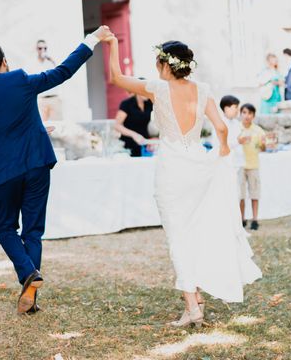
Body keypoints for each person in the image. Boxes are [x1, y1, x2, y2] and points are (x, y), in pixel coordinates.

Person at [104, 36, 261, 327]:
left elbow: (115, 77)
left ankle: (192, 307)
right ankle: (196, 294)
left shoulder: (157, 88)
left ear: (165, 65)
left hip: (172, 167)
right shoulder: (203, 89)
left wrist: (112, 44)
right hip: (197, 162)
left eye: (157, 62)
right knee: (195, 228)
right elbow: (221, 127)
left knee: (178, 235)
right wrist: (223, 148)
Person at [0, 25, 113, 314]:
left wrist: (30, 128)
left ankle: (27, 276)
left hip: (4, 170)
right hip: (35, 162)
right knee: (32, 230)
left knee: (5, 228)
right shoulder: (20, 80)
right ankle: (30, 286)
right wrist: (91, 40)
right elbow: (62, 72)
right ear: (4, 63)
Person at [238, 103, 266, 231]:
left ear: (253, 115)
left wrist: (264, 144)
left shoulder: (258, 130)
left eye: (249, 113)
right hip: (239, 165)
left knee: (255, 193)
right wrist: (240, 141)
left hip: (253, 165)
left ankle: (255, 219)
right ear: (241, 114)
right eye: (244, 112)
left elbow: (262, 148)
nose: (247, 116)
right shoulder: (237, 129)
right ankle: (242, 219)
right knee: (241, 194)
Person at [26, 39, 63, 121]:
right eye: (40, 48)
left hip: (54, 98)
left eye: (45, 48)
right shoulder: (32, 64)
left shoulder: (51, 62)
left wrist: (51, 60)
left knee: (58, 126)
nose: (43, 50)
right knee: (42, 126)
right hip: (41, 99)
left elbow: (61, 71)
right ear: (36, 49)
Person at [114, 88, 153, 157]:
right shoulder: (126, 104)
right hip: (129, 144)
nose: (148, 94)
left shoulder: (149, 103)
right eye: (146, 92)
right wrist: (134, 135)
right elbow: (117, 125)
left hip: (144, 143)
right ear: (138, 92)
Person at [219, 95, 245, 171]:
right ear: (226, 108)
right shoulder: (220, 124)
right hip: (226, 162)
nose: (238, 110)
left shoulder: (237, 123)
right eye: (236, 107)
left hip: (239, 161)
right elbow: (221, 144)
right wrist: (238, 141)